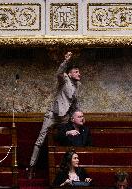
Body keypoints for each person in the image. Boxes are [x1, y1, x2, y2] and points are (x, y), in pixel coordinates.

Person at [28, 51, 81, 179]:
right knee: (39, 141)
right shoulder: (64, 80)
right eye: (76, 72)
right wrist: (66, 61)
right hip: (53, 115)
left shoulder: (78, 85)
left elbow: (74, 102)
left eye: (79, 72)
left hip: (65, 117)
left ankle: (68, 170)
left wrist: (78, 115)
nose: (79, 74)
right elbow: (59, 73)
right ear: (69, 74)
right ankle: (31, 167)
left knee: (71, 136)